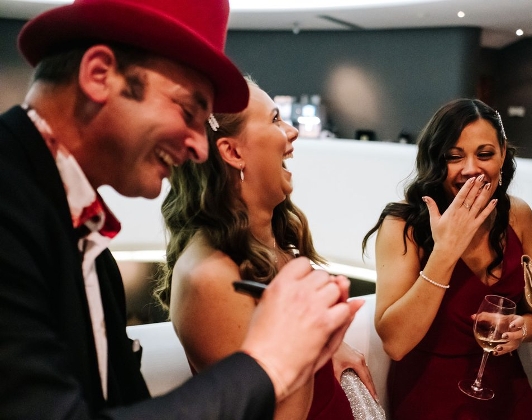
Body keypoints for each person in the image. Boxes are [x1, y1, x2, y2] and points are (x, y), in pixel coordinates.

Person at [0, 0, 362, 418]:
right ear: (99, 75)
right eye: (188, 111)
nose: (198, 147)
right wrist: (272, 363)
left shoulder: (87, 242)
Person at [153, 77, 378, 420]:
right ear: (233, 152)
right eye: (275, 119)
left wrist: (331, 347)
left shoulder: (269, 235)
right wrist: (311, 343)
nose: (292, 132)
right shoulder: (210, 278)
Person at [362, 98, 532, 420]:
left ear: (502, 155)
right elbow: (395, 343)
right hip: (431, 396)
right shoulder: (403, 225)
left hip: (507, 391)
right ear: (436, 161)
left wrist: (524, 327)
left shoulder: (517, 215)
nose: (471, 169)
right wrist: (446, 250)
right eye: (454, 157)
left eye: (485, 154)